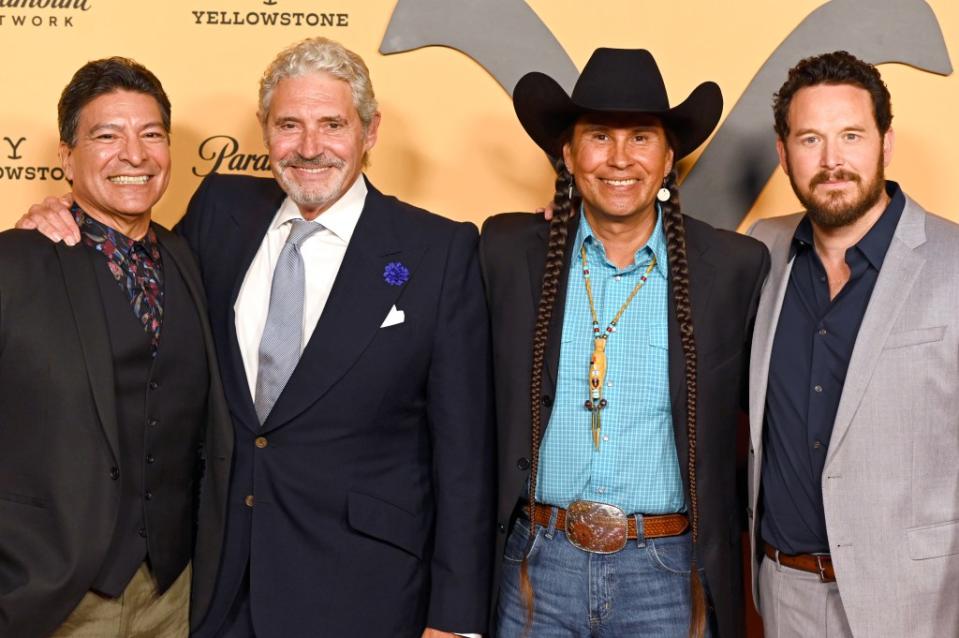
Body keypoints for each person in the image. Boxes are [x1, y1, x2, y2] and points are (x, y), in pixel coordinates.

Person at [19, 37, 494, 638]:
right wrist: (59, 215)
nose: (309, 147)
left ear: (370, 131)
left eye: (332, 123)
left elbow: (464, 457)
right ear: (265, 133)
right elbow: (132, 255)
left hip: (364, 591)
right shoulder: (222, 211)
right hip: (218, 581)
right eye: (288, 124)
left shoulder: (439, 250)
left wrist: (454, 620)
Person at [480, 48, 769, 637]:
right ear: (567, 154)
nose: (619, 159)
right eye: (598, 137)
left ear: (668, 159)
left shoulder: (735, 267)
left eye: (641, 138)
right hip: (536, 563)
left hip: (667, 572)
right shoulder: (507, 251)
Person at [0, 57, 232, 638]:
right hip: (49, 593)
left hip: (173, 594)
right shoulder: (14, 262)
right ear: (65, 157)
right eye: (107, 136)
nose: (134, 155)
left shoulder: (189, 258)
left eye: (152, 135)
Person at [747, 50, 959, 637]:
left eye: (851, 135)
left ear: (885, 144)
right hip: (784, 592)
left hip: (917, 603)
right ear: (783, 152)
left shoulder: (953, 262)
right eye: (811, 139)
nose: (833, 160)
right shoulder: (760, 253)